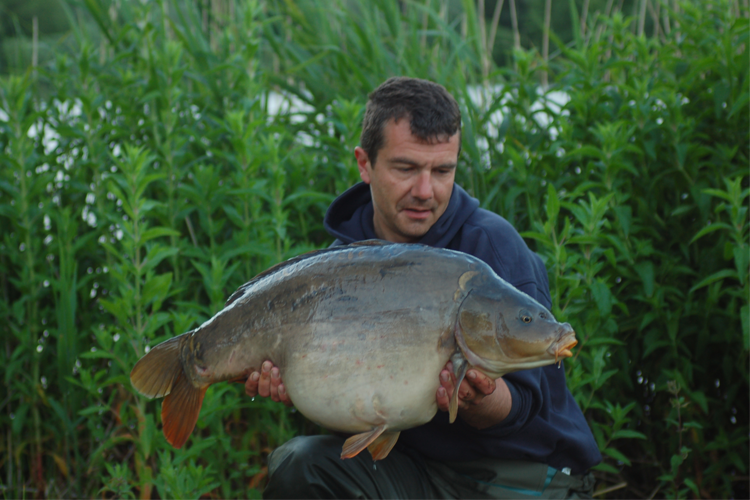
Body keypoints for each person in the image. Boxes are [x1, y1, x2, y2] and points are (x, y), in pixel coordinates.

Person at [245, 77, 602, 498]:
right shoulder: (341, 268)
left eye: (442, 170)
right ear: (365, 163)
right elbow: (356, 404)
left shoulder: (490, 248)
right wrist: (299, 383)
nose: (425, 191)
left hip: (520, 475)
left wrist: (478, 398)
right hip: (415, 473)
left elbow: (524, 407)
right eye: (406, 168)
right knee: (300, 465)